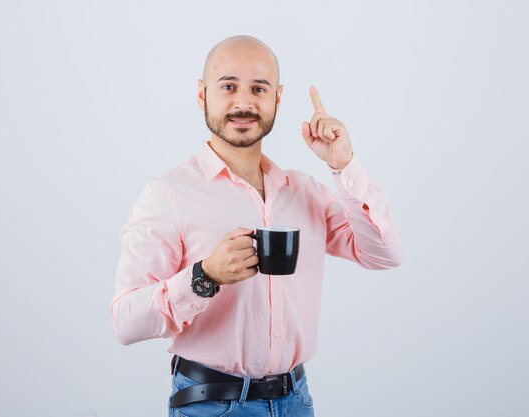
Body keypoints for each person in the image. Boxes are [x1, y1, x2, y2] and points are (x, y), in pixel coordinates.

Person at [111, 35, 403, 416]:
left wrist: (343, 165)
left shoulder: (307, 192)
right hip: (211, 405)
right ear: (202, 95)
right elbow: (125, 322)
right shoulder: (168, 195)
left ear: (277, 99)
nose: (244, 103)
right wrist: (204, 277)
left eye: (259, 89)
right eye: (228, 86)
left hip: (296, 400)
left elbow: (384, 254)